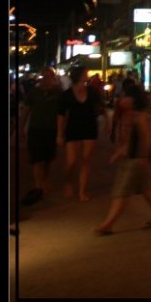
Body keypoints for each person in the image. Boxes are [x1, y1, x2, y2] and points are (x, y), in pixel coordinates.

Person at [94, 84, 151, 235]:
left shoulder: (141, 115)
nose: (121, 100)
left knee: (121, 192)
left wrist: (143, 157)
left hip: (136, 158)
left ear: (133, 99)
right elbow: (128, 139)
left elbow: (145, 137)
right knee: (146, 188)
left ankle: (108, 224)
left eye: (125, 96)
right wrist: (119, 152)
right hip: (132, 157)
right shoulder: (130, 114)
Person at [57, 65, 111, 201]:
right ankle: (68, 182)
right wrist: (59, 134)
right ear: (78, 75)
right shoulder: (67, 95)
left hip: (89, 128)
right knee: (71, 162)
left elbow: (102, 107)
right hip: (73, 129)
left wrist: (108, 122)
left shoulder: (92, 92)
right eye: (85, 73)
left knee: (86, 160)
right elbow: (61, 116)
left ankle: (82, 191)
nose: (87, 75)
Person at [19, 67, 61, 205]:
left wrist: (62, 131)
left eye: (50, 76)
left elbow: (63, 113)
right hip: (36, 128)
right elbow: (26, 110)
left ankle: (44, 181)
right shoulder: (34, 92)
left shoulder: (58, 92)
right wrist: (21, 128)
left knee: (48, 158)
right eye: (44, 76)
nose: (47, 78)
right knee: (37, 159)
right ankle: (38, 185)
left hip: (51, 129)